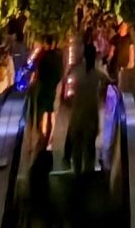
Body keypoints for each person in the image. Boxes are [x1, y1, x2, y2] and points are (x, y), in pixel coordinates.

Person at [64, 41, 108, 175]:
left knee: (77, 143)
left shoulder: (77, 71)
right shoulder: (98, 74)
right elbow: (109, 83)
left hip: (78, 111)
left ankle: (76, 172)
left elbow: (68, 82)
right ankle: (88, 173)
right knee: (89, 144)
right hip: (91, 111)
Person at [29, 35, 64, 140]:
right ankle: (50, 135)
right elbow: (60, 73)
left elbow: (38, 72)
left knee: (43, 111)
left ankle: (42, 134)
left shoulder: (43, 57)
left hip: (44, 86)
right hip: (53, 86)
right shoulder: (58, 57)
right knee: (51, 111)